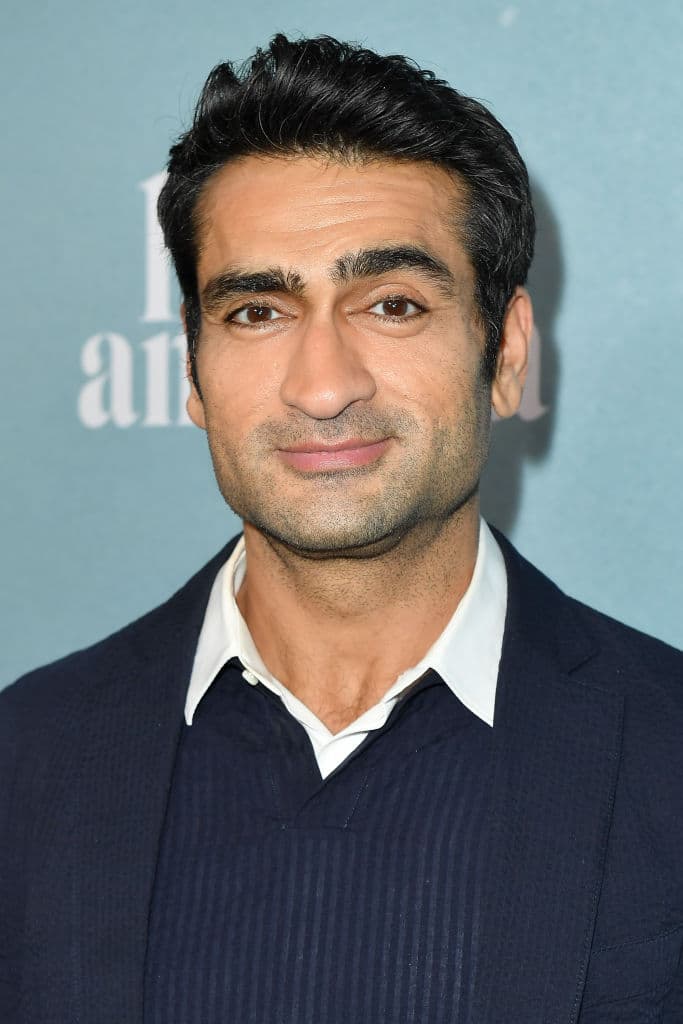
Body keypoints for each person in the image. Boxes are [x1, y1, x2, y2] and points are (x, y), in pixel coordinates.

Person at [1, 33, 681, 1024]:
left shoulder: (663, 748)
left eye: (392, 304)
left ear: (504, 354)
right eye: (256, 312)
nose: (322, 386)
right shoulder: (27, 759)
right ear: (191, 368)